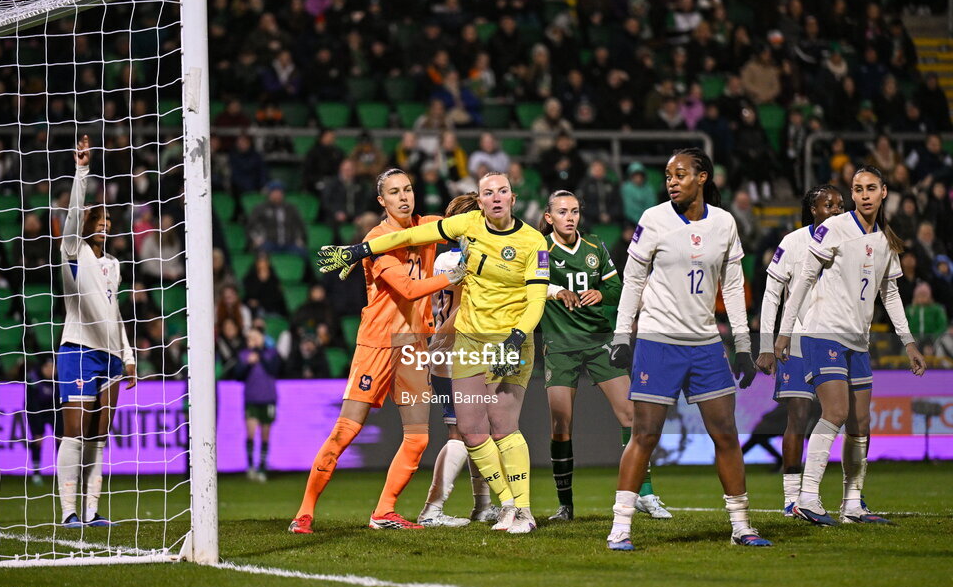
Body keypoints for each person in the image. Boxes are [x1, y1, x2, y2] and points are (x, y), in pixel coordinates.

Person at [317, 171, 550, 534]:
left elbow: (536, 294)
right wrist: (361, 249)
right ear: (478, 204)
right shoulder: (467, 232)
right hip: (457, 343)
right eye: (488, 193)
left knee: (500, 427)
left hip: (500, 340)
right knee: (469, 431)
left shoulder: (532, 241)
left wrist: (517, 335)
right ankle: (497, 505)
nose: (495, 198)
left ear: (513, 197)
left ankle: (521, 509)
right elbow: (410, 237)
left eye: (502, 191)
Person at [289, 169, 467, 534]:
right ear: (381, 202)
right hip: (378, 345)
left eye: (408, 189)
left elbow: (460, 224)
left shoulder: (429, 226)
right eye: (394, 192)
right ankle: (304, 513)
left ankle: (384, 512)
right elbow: (407, 289)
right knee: (345, 431)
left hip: (414, 346)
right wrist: (453, 276)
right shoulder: (378, 239)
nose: (404, 197)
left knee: (418, 438)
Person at [606, 148, 767, 550]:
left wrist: (743, 345)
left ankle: (742, 526)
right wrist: (623, 335)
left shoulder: (725, 223)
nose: (672, 181)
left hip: (706, 344)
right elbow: (632, 280)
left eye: (680, 174)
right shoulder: (653, 219)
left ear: (703, 177)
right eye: (668, 175)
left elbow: (732, 286)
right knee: (644, 434)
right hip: (658, 341)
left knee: (727, 434)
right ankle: (621, 525)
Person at [776, 166, 927, 526]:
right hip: (822, 332)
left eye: (870, 188)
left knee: (861, 423)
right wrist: (784, 331)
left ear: (884, 192)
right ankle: (807, 497)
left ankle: (852, 503)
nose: (863, 195)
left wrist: (908, 342)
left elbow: (889, 294)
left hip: (858, 339)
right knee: (837, 412)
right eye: (858, 189)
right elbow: (804, 279)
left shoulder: (886, 240)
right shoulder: (835, 228)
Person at [539, 191, 670, 521]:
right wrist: (555, 292)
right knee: (561, 424)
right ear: (549, 217)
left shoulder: (595, 246)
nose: (570, 217)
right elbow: (530, 286)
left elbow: (617, 288)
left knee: (631, 414)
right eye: (562, 212)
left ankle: (645, 493)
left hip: (598, 340)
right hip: (560, 345)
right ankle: (565, 504)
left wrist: (600, 291)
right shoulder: (539, 248)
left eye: (575, 211)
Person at [55, 136, 137, 528]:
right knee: (75, 432)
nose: (105, 225)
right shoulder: (73, 252)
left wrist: (129, 355)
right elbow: (71, 214)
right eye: (99, 220)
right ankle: (69, 511)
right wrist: (82, 171)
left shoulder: (114, 265)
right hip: (78, 348)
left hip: (110, 356)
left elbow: (115, 310)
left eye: (109, 222)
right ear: (88, 224)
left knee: (99, 437)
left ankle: (91, 511)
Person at [755, 183, 845, 515]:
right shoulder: (793, 243)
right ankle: (792, 497)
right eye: (829, 204)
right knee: (798, 416)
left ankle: (850, 497)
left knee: (849, 417)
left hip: (836, 340)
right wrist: (767, 343)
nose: (836, 209)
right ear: (813, 209)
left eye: (840, 204)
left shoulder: (851, 243)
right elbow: (771, 294)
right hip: (796, 342)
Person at [417, 194, 497, 527]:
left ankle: (482, 506)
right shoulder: (467, 262)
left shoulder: (441, 261)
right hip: (457, 350)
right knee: (464, 433)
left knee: (476, 431)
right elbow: (467, 310)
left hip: (448, 349)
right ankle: (432, 510)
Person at [236, 325, 280, 481]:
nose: (252, 340)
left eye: (255, 337)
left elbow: (274, 370)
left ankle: (262, 466)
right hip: (252, 398)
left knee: (265, 434)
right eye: (250, 337)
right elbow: (238, 375)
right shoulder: (244, 355)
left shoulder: (271, 353)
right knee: (251, 432)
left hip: (268, 398)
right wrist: (248, 363)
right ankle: (250, 467)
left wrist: (259, 353)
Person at [25, 355, 59, 486]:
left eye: (53, 367)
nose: (51, 370)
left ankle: (63, 472)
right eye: (48, 367)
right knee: (37, 440)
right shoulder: (33, 380)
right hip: (37, 411)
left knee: (62, 440)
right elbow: (31, 405)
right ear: (42, 368)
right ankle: (36, 473)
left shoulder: (61, 380)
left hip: (55, 411)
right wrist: (37, 429)